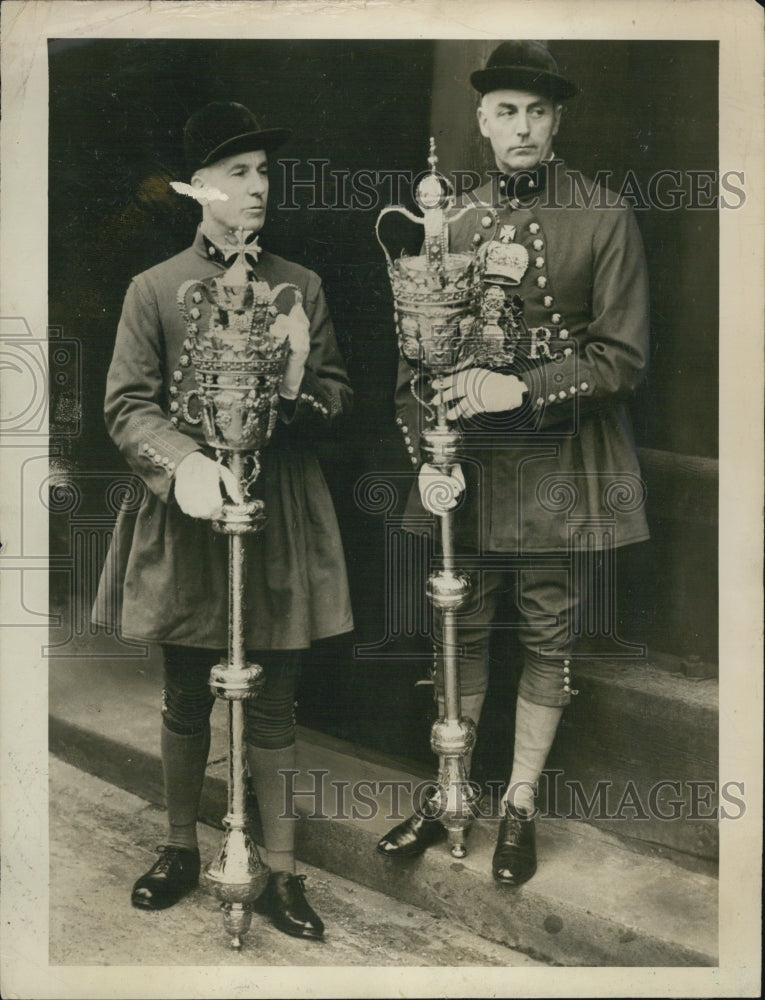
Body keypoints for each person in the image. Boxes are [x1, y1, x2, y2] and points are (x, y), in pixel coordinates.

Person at [377, 41, 650, 886]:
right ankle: (447, 790)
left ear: (557, 119)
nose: (521, 126)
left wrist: (519, 389)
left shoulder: (601, 214)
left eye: (536, 111)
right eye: (505, 111)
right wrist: (426, 441)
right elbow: (413, 355)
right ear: (481, 119)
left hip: (558, 465)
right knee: (455, 626)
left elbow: (620, 357)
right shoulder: (449, 219)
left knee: (544, 633)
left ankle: (521, 804)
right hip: (469, 467)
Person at [93, 101, 353, 938]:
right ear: (196, 188)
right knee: (183, 693)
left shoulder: (299, 286)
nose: (256, 188)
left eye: (263, 173)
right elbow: (127, 406)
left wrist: (295, 380)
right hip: (187, 514)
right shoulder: (155, 289)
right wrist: (188, 465)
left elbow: (338, 399)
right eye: (237, 173)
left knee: (275, 702)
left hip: (277, 514)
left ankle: (279, 871)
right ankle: (176, 847)